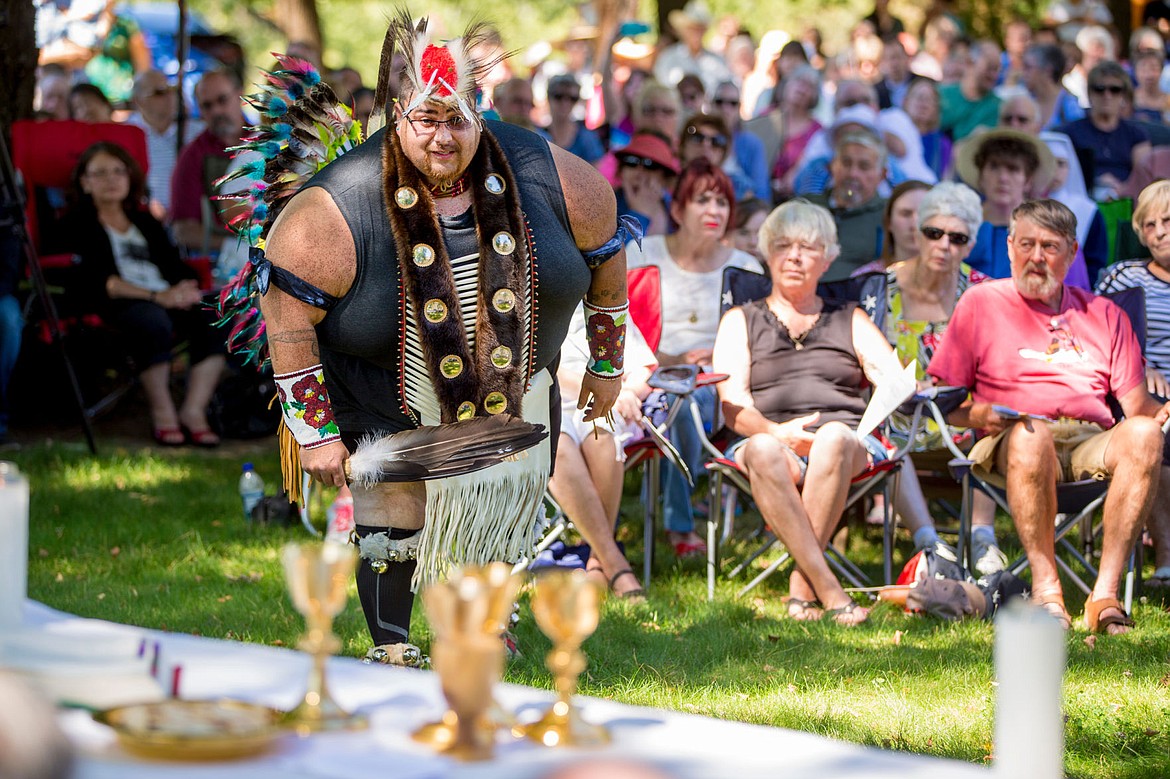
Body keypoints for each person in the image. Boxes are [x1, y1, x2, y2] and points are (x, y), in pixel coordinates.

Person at [254, 12, 630, 664]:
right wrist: (312, 428)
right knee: (393, 494)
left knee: (501, 500)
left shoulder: (549, 173)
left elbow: (607, 258)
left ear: (478, 118)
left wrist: (605, 361)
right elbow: (286, 314)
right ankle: (392, 644)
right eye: (426, 119)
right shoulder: (334, 207)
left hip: (514, 387)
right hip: (382, 381)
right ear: (399, 115)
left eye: (456, 120)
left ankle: (484, 622)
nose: (441, 137)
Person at [928, 198, 1170, 633]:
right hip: (1011, 437)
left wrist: (1163, 411)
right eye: (1027, 244)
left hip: (1088, 439)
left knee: (1145, 436)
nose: (1036, 257)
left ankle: (1106, 596)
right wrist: (980, 411)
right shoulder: (980, 304)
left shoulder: (1104, 314)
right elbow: (946, 406)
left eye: (1050, 247)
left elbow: (1138, 409)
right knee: (1031, 433)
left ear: (1073, 253)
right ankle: (1047, 590)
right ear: (1009, 247)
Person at [712, 199, 906, 626]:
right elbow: (732, 404)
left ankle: (802, 589)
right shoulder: (739, 319)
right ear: (766, 252)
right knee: (761, 449)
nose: (794, 256)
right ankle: (829, 591)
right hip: (768, 439)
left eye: (808, 247)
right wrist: (778, 433)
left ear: (829, 258)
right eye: (782, 245)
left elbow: (892, 380)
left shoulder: (850, 317)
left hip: (846, 445)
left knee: (835, 437)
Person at [624, 159, 763, 558]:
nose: (714, 211)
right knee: (672, 400)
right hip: (643, 371)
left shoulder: (744, 267)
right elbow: (615, 322)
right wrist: (666, 357)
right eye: (703, 200)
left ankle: (678, 523)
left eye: (722, 203)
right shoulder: (642, 254)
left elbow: (758, 340)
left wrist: (720, 354)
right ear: (678, 208)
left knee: (683, 404)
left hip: (714, 381)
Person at [58, 142, 225, 446]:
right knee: (152, 321)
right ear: (85, 182)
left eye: (118, 171)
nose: (111, 179)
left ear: (130, 177)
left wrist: (185, 289)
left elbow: (176, 266)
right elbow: (99, 281)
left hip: (164, 297)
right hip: (114, 303)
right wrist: (156, 296)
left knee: (215, 314)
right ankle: (164, 414)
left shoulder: (145, 221)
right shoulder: (76, 222)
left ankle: (193, 411)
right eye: (100, 173)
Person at [880, 181, 1005, 572]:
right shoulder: (882, 288)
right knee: (879, 436)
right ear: (918, 233)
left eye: (957, 237)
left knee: (998, 422)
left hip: (961, 415)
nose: (943, 244)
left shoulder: (983, 293)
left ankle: (982, 536)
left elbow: (997, 366)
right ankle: (928, 544)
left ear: (969, 245)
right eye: (934, 233)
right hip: (897, 413)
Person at [550, 305, 657, 600]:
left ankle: (598, 561)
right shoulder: (538, 300)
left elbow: (644, 368)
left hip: (607, 402)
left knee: (601, 436)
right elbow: (544, 368)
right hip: (552, 397)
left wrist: (629, 392)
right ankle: (615, 563)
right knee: (555, 447)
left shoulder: (605, 304)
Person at [1095, 180, 1170, 591]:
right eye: (1149, 224)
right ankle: (1166, 556)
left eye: (1167, 220)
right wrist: (1140, 365)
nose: (1158, 230)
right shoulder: (1124, 276)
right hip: (1142, 392)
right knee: (1156, 427)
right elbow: (1092, 335)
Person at [957, 128, 1065, 282]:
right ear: (981, 176)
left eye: (1013, 169)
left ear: (1027, 180)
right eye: (994, 167)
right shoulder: (960, 225)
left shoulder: (1048, 230)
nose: (1003, 178)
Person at [169, 69, 245, 254]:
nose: (217, 111)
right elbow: (183, 230)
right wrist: (234, 248)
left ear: (239, 94)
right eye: (207, 106)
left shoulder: (267, 141)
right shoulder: (193, 156)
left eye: (222, 100)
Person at [1056, 61, 1152, 200]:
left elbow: (1143, 176)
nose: (1107, 95)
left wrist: (1122, 189)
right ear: (1089, 93)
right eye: (1099, 89)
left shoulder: (1136, 134)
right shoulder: (1069, 133)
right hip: (1081, 198)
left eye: (1115, 89)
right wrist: (1096, 183)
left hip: (1126, 201)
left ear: (1123, 96)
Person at [806, 126, 888, 282]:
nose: (853, 174)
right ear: (832, 166)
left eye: (864, 166)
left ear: (882, 175)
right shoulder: (807, 207)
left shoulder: (889, 216)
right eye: (846, 163)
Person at [126, 70, 204, 220]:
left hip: (192, 220)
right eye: (159, 92)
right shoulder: (127, 134)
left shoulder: (197, 133)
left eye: (171, 89)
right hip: (145, 220)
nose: (169, 96)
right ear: (139, 101)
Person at [1041, 131, 1109, 284]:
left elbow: (1095, 262)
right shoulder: (1021, 204)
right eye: (1048, 162)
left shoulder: (1088, 210)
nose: (1054, 171)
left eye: (1061, 164)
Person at [654, 0, 732, 95]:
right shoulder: (668, 58)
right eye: (692, 28)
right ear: (684, 30)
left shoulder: (718, 60)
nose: (696, 33)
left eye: (700, 28)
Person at [710, 81, 769, 202]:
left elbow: (762, 194)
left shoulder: (752, 144)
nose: (725, 109)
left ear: (739, 108)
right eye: (719, 102)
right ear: (711, 105)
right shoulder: (699, 139)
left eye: (732, 103)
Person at [613, 132, 680, 237]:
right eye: (631, 161)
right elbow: (614, 252)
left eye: (650, 165)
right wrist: (639, 214)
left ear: (665, 177)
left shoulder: (676, 210)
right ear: (621, 171)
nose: (639, 172)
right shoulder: (607, 205)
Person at [939, 41, 1003, 142]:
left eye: (997, 70)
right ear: (969, 63)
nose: (994, 76)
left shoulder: (998, 107)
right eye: (990, 68)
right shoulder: (942, 95)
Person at [539, 74, 604, 166]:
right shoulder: (538, 134)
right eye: (559, 96)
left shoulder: (587, 138)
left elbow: (597, 173)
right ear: (548, 97)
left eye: (572, 98)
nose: (565, 103)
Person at [1021, 43, 1085, 130]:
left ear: (1048, 71)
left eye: (1028, 68)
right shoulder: (1023, 101)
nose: (1023, 73)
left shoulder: (1069, 104)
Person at [904, 78, 951, 181]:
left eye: (929, 99)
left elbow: (944, 179)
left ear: (936, 108)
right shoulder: (896, 133)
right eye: (919, 97)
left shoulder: (942, 143)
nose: (923, 103)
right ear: (906, 102)